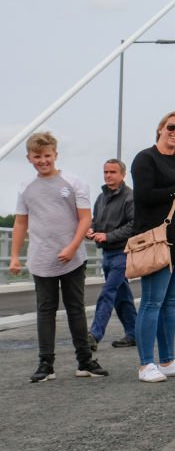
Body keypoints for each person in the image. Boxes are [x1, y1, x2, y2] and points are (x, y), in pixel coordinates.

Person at [11, 132, 108, 382]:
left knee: (75, 309)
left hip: (72, 258)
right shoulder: (25, 187)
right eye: (37, 157)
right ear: (29, 158)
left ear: (55, 155)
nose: (42, 161)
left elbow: (85, 217)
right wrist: (14, 256)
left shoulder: (73, 182)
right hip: (41, 259)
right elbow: (21, 222)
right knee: (46, 310)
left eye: (47, 156)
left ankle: (85, 361)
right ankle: (46, 365)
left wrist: (72, 247)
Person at [131, 111, 175, 382]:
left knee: (171, 302)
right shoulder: (145, 159)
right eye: (172, 127)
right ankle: (145, 364)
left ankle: (168, 360)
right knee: (152, 302)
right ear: (160, 128)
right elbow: (144, 197)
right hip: (157, 239)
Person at [86, 158, 138, 349]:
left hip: (123, 252)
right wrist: (91, 229)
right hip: (107, 254)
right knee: (121, 296)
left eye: (112, 172)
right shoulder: (102, 198)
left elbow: (134, 225)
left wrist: (108, 236)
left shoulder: (130, 197)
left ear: (123, 175)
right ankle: (134, 333)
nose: (108, 175)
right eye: (106, 172)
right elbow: (95, 220)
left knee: (108, 292)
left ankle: (94, 334)